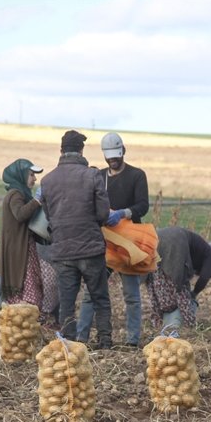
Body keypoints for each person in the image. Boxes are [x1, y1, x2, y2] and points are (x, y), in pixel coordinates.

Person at [75, 132, 150, 347]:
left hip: (128, 242)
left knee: (131, 294)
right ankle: (81, 337)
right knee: (91, 292)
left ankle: (132, 340)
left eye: (116, 156)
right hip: (104, 242)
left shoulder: (137, 176)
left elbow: (142, 205)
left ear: (123, 151)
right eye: (110, 157)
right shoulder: (99, 177)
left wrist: (123, 213)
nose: (113, 161)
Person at [42, 130, 113, 348]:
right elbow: (103, 213)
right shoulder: (92, 176)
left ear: (61, 150)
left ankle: (69, 342)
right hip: (91, 248)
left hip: (63, 250)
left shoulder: (47, 180)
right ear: (81, 150)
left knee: (67, 302)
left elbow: (48, 216)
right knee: (100, 297)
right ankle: (105, 340)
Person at [0, 158, 47, 308]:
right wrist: (37, 201)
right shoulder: (16, 195)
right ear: (21, 175)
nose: (34, 179)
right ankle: (22, 315)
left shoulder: (22, 193)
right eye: (31, 175)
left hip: (23, 245)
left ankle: (27, 316)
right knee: (26, 279)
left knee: (31, 278)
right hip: (18, 247)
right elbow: (20, 214)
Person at [150, 226, 211, 331]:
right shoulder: (210, 254)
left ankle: (157, 322)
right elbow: (205, 276)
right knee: (180, 285)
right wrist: (194, 293)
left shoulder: (199, 249)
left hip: (156, 237)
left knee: (157, 281)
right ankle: (188, 324)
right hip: (176, 241)